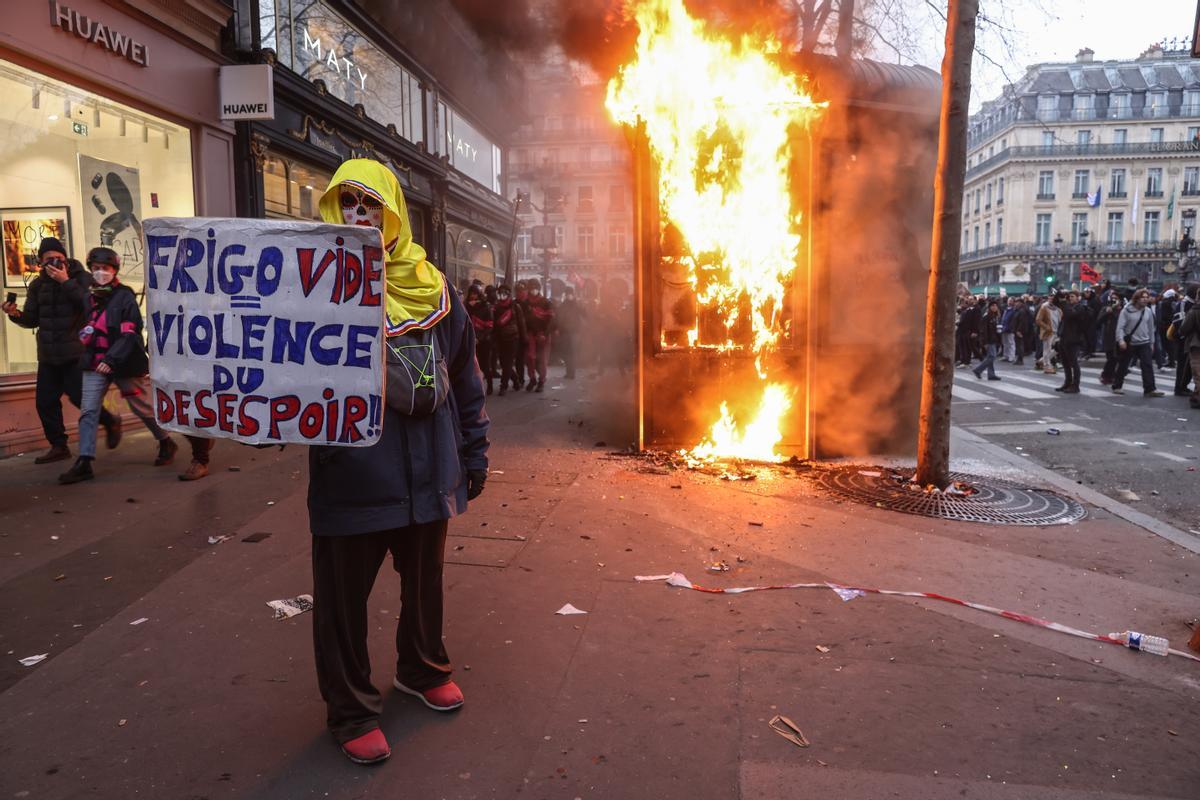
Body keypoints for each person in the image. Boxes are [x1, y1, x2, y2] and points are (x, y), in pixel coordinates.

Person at [309, 159, 489, 765]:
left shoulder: (435, 287)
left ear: (393, 214)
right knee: (342, 602)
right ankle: (352, 709)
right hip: (353, 474)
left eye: (370, 205)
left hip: (430, 471)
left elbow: (466, 378)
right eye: (347, 204)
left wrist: (473, 451)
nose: (359, 216)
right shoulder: (312, 289)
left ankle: (421, 666)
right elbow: (277, 375)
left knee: (425, 584)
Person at [58, 247, 177, 484]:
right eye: (96, 269)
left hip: (123, 362)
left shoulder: (125, 296)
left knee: (141, 407)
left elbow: (130, 332)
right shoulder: (88, 297)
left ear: (114, 270)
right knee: (89, 411)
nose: (101, 272)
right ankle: (85, 461)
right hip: (94, 361)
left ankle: (165, 440)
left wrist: (111, 360)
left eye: (106, 268)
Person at [2, 237, 121, 464]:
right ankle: (59, 446)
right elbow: (32, 319)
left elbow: (90, 306)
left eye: (58, 258)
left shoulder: (82, 278)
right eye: (48, 260)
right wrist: (15, 314)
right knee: (45, 402)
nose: (54, 264)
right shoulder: (38, 285)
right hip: (48, 355)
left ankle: (110, 420)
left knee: (80, 399)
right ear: (40, 262)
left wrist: (66, 281)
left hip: (75, 353)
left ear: (65, 258)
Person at [1111, 288, 1165, 397]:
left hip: (1144, 342)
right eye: (1143, 298)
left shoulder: (1148, 311)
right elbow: (1120, 327)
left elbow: (1151, 328)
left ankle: (1150, 389)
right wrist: (1120, 340)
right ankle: (1117, 386)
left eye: (1147, 297)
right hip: (1130, 342)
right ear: (1136, 299)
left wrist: (1151, 343)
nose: (1145, 300)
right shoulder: (1126, 310)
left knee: (1147, 365)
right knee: (1123, 365)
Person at [522, 282, 555, 392]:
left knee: (542, 359)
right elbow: (524, 320)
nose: (533, 290)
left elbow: (551, 320)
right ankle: (532, 379)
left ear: (539, 289)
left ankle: (541, 381)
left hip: (543, 334)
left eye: (535, 288)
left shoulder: (546, 302)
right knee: (530, 357)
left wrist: (545, 334)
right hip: (531, 333)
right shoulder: (526, 303)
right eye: (531, 288)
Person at [1056, 290, 1089, 394]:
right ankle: (1067, 383)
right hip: (1064, 337)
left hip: (1074, 339)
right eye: (1069, 297)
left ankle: (1075, 385)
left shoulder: (1080, 308)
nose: (1070, 298)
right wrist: (1060, 294)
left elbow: (1069, 315)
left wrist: (1064, 303)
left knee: (1074, 363)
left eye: (1072, 296)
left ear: (1078, 297)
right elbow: (1057, 303)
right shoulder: (1067, 306)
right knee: (1065, 362)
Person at [465, 285, 494, 395]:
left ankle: (490, 385)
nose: (473, 296)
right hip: (471, 340)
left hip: (484, 341)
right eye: (471, 293)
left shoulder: (486, 306)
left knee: (485, 364)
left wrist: (480, 338)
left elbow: (490, 325)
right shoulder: (466, 306)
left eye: (475, 293)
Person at [1177, 286, 1200, 409]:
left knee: (1197, 373)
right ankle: (1195, 397)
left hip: (1196, 345)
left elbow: (1184, 328)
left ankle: (1197, 398)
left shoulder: (1194, 310)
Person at [556, 287, 585, 379]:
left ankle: (571, 373)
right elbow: (559, 318)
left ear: (573, 294)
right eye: (568, 293)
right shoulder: (563, 305)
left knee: (572, 352)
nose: (569, 295)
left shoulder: (577, 304)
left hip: (575, 332)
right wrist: (559, 329)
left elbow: (584, 314)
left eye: (570, 293)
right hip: (565, 332)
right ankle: (569, 372)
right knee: (566, 352)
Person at [1097, 291, 1125, 385]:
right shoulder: (1106, 309)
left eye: (1116, 298)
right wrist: (1108, 312)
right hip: (1109, 337)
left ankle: (1112, 375)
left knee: (1118, 358)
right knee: (1111, 358)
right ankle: (1106, 375)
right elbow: (1098, 322)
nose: (1114, 300)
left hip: (1121, 337)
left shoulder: (1124, 310)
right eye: (1112, 298)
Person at [972, 300, 1002, 381]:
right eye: (993, 306)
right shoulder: (987, 316)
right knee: (992, 356)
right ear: (990, 307)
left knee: (990, 357)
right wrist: (984, 342)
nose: (995, 307)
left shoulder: (994, 316)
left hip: (993, 339)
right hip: (989, 340)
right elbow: (983, 330)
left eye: (996, 306)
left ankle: (991, 374)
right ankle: (978, 370)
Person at [1035, 294, 1061, 374]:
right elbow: (1038, 319)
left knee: (1058, 348)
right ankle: (1047, 366)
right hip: (1048, 332)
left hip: (1057, 331)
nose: (1051, 299)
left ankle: (1042, 361)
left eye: (1053, 297)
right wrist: (1047, 327)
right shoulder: (1044, 307)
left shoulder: (1058, 307)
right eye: (1050, 297)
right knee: (1047, 349)